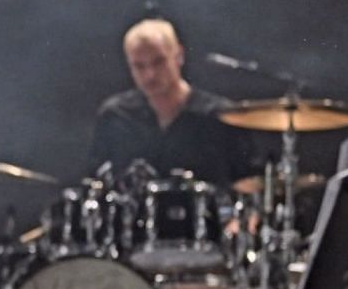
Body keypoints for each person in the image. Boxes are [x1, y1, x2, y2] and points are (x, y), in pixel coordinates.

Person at [86, 18, 258, 188]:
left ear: (179, 56)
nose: (150, 75)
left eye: (158, 62)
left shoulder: (220, 115)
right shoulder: (115, 116)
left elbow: (249, 185)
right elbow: (95, 183)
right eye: (139, 66)